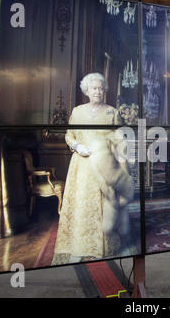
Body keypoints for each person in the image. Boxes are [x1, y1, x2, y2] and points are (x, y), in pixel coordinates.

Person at [52, 73, 134, 265]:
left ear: (104, 90)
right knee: (81, 205)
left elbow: (119, 139)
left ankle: (101, 246)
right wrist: (77, 146)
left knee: (104, 203)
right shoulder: (77, 111)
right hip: (81, 165)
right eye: (94, 88)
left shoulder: (112, 112)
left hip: (104, 164)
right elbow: (69, 135)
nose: (98, 91)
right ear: (87, 91)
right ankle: (78, 245)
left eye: (101, 88)